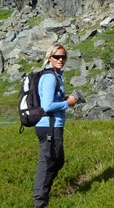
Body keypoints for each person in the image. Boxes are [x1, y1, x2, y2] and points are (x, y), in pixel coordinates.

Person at [33, 43, 77, 208]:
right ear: (49, 57)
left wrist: (62, 98)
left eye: (63, 57)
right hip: (49, 125)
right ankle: (40, 202)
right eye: (57, 56)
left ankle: (43, 196)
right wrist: (67, 103)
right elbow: (47, 106)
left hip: (51, 125)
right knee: (47, 162)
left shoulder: (52, 75)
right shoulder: (50, 77)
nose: (61, 59)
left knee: (56, 160)